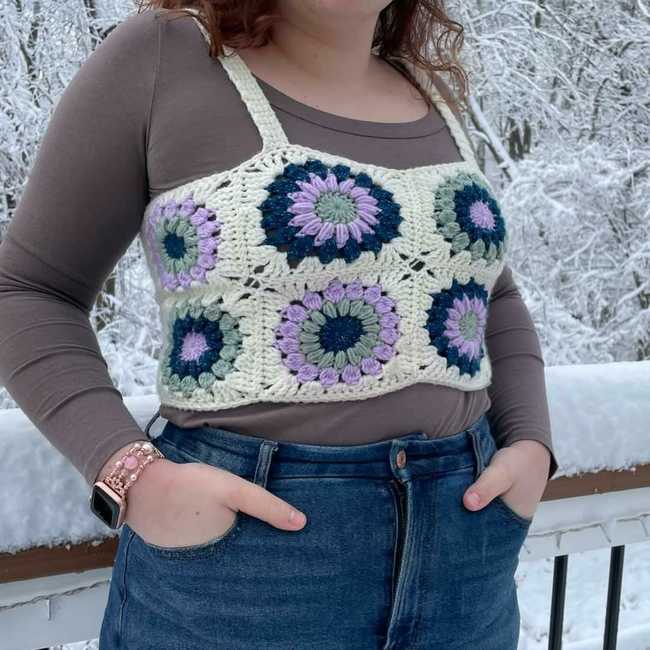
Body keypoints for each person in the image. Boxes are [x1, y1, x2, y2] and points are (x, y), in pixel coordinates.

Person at [0, 1, 558, 648]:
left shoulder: (426, 91)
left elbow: (491, 294)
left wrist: (531, 445)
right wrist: (132, 476)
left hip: (466, 558)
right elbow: (28, 291)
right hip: (243, 573)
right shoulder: (166, 56)